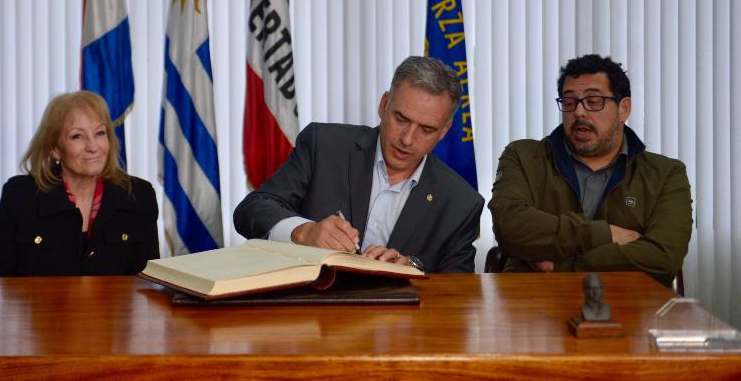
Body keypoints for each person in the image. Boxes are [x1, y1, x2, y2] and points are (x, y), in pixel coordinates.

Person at [233, 56, 484, 273]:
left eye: (426, 129)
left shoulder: (461, 203)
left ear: (444, 131)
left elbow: (457, 294)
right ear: (384, 105)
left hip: (398, 324)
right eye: (401, 119)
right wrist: (303, 232)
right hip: (308, 313)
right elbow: (251, 210)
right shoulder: (324, 145)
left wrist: (415, 271)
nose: (407, 139)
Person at [489, 54, 692, 286]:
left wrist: (565, 266)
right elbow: (509, 228)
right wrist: (606, 234)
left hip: (630, 306)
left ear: (623, 108)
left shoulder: (666, 174)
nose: (579, 112)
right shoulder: (523, 156)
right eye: (569, 102)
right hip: (532, 303)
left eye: (594, 101)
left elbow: (663, 257)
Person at [0, 91, 159, 276]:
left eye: (100, 133)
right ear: (54, 149)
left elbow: (149, 286)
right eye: (77, 136)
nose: (93, 147)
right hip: (40, 308)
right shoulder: (22, 196)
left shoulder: (139, 196)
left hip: (113, 309)